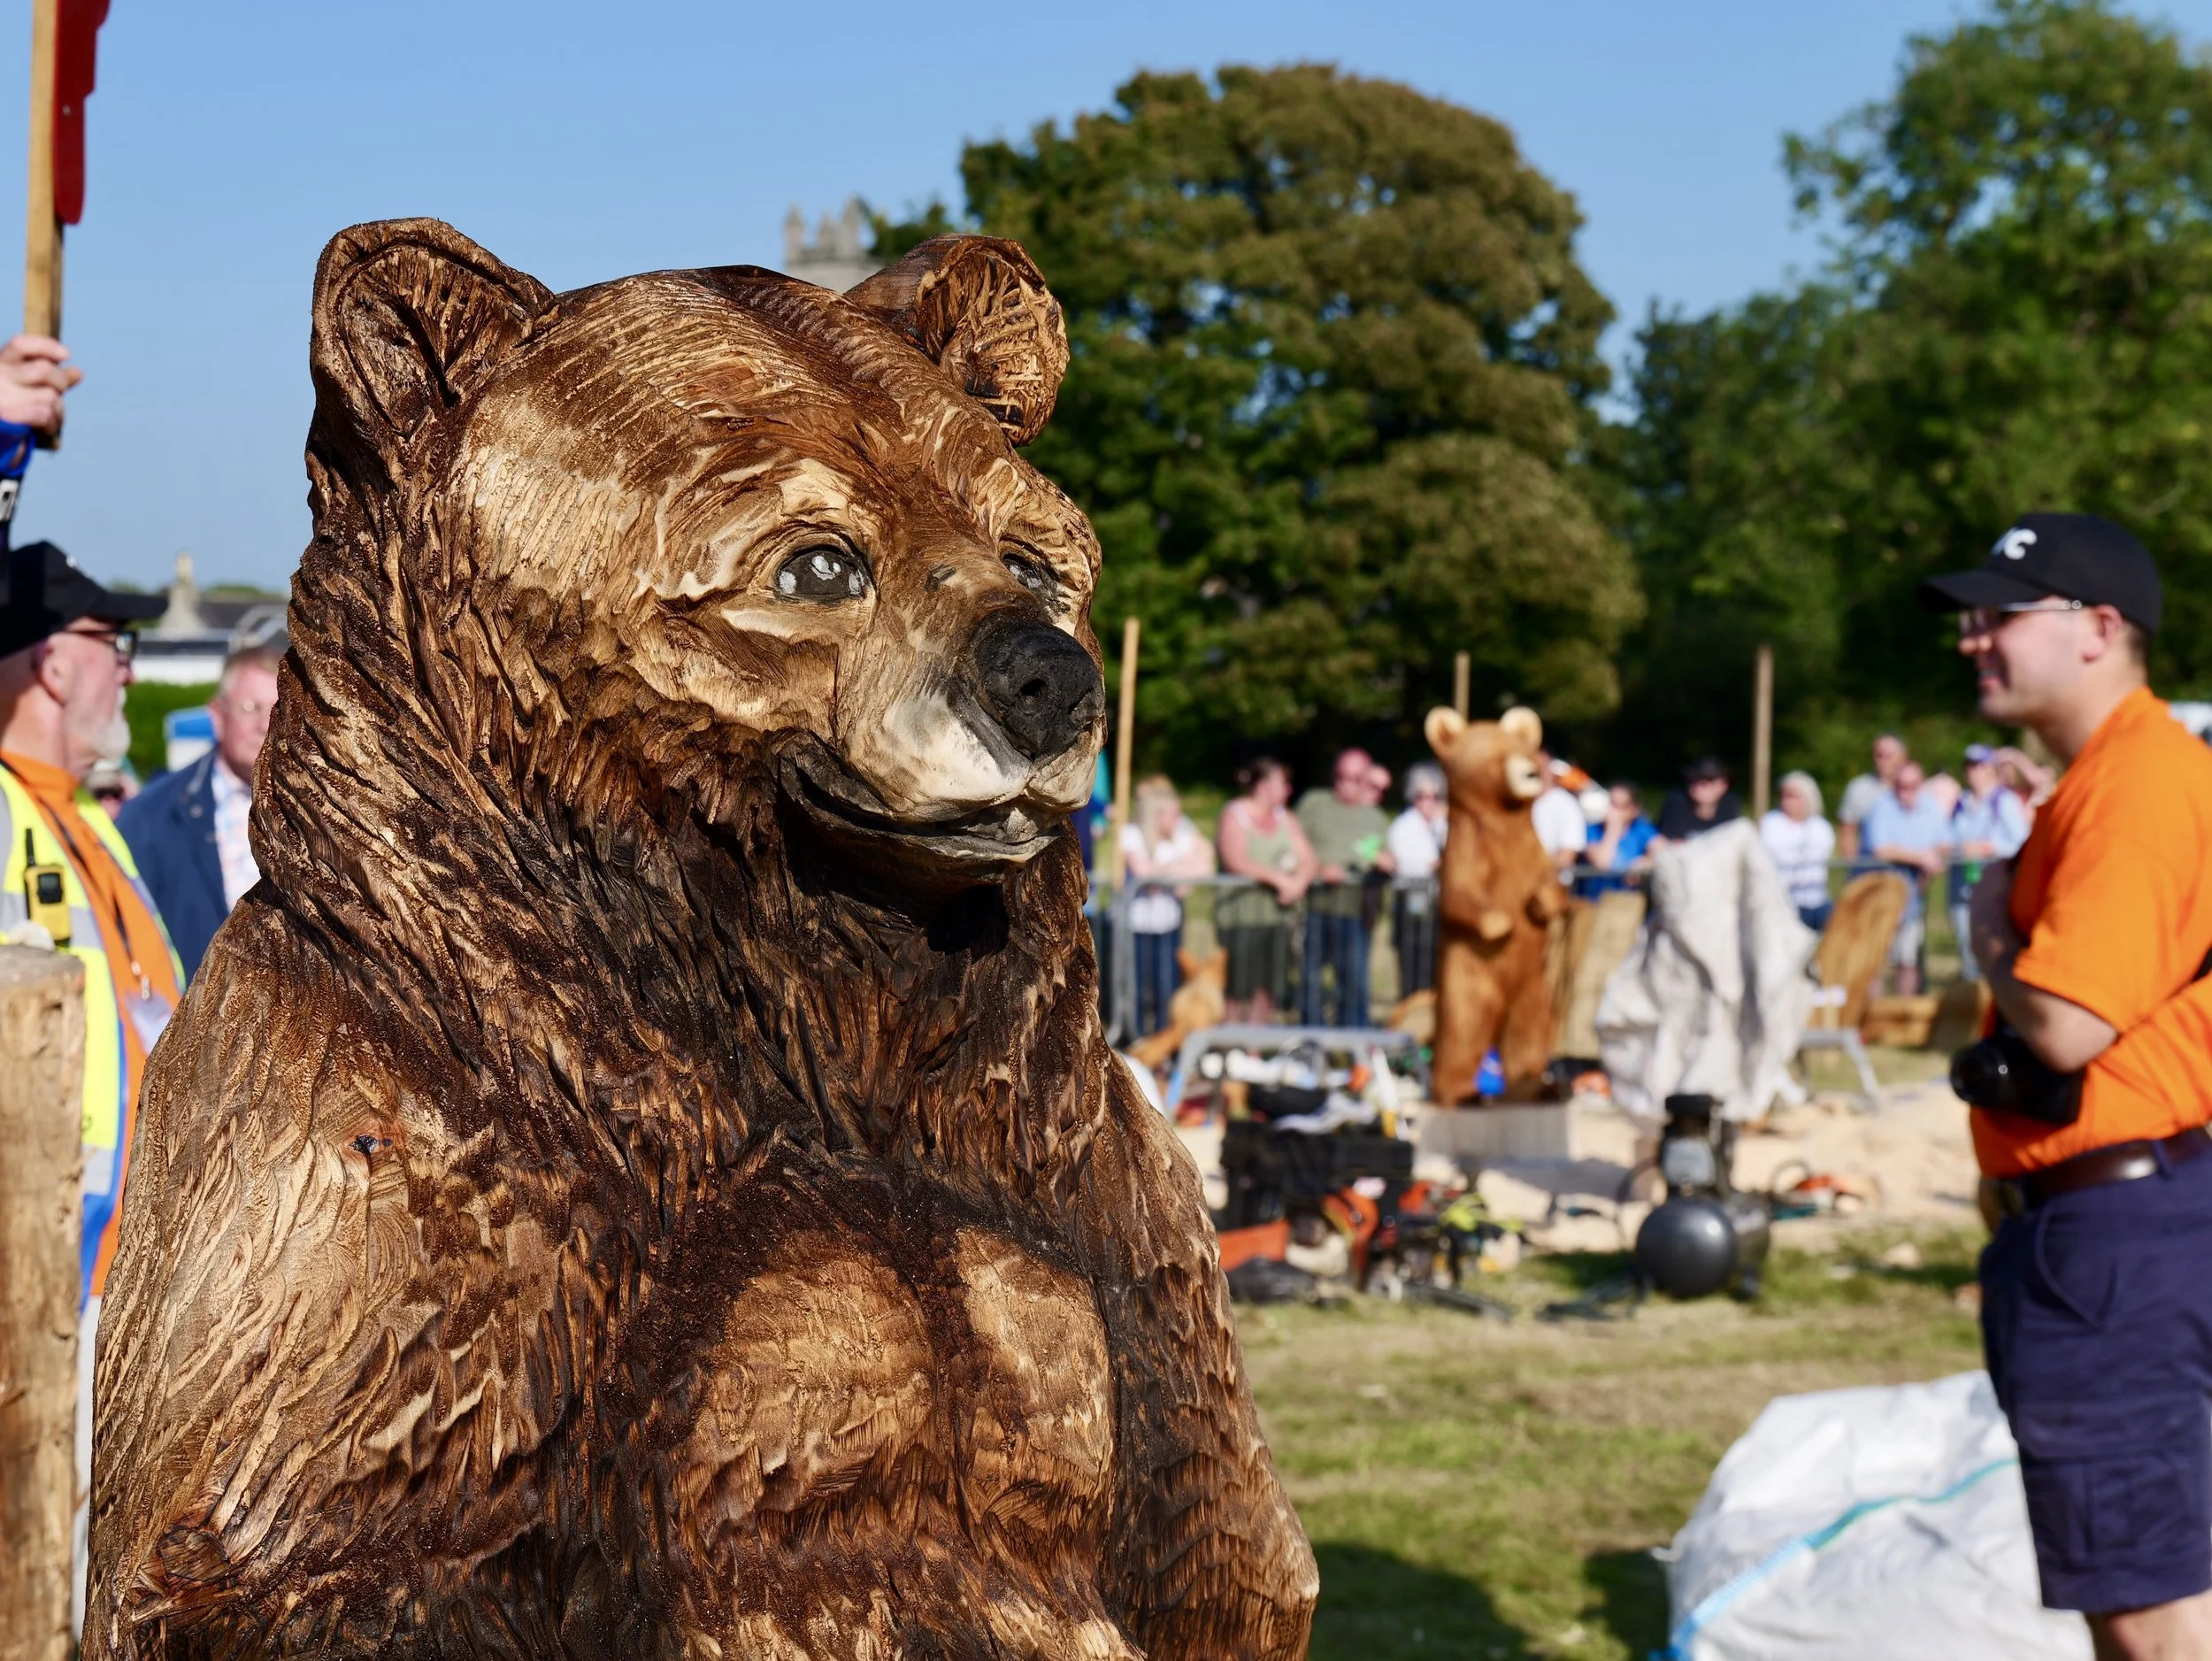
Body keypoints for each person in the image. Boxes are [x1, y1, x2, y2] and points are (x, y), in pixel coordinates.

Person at [1920, 512, 2212, 1658]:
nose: (1972, 639)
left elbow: (2067, 1021)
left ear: (2099, 629)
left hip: (2113, 1235)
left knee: (2145, 1612)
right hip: (2133, 1217)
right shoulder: (2120, 775)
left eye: (2000, 615)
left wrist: (1993, 933)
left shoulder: (2137, 784)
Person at [0, 540, 179, 1631]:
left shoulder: (95, 820)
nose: (127, 669)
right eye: (112, 644)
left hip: (117, 1269)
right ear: (53, 665)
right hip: (40, 1276)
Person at [118, 641, 282, 978]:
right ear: (217, 716)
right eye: (250, 707)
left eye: (277, 709)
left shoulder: (326, 816)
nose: (264, 724)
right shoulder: (151, 818)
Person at [1294, 748, 1392, 1027]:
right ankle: (1312, 1040)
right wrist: (1316, 869)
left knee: (1354, 983)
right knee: (1311, 980)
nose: (1346, 784)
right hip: (1315, 908)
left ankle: (1353, 1047)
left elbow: (1386, 856)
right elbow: (1291, 843)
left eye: (1355, 778)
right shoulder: (1314, 804)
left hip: (1355, 913)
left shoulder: (1375, 818)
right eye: (1341, 777)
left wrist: (1385, 864)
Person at [1216, 757, 1315, 1024]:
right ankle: (1230, 1044)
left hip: (1276, 919)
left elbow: (1308, 858)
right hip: (1240, 918)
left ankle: (1254, 1049)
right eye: (1284, 783)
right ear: (1265, 785)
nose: (1289, 790)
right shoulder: (1235, 814)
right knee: (1238, 987)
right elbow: (1235, 860)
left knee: (1268, 986)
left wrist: (1299, 882)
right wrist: (1279, 880)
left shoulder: (1286, 818)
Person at [1117, 773, 1214, 1037]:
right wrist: (1177, 868)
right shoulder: (1132, 834)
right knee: (1137, 987)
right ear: (1157, 815)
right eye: (1172, 814)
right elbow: (1143, 873)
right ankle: (1135, 1039)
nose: (1178, 819)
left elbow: (1200, 871)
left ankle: (1164, 1038)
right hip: (1138, 926)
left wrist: (1167, 873)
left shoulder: (1178, 836)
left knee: (1166, 987)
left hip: (1168, 924)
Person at [1860, 759, 1951, 995]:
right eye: (1901, 785)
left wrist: (1931, 859)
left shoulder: (1930, 807)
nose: (1906, 791)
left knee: (1908, 959)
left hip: (1913, 897)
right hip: (1881, 894)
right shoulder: (1882, 807)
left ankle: (1903, 1017)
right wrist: (1920, 857)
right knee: (1876, 961)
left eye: (1912, 786)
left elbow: (1944, 843)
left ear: (1920, 785)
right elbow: (1881, 848)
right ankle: (1873, 1018)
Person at [1947, 742, 2030, 981]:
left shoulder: (2004, 801)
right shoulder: (1961, 802)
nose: (1973, 771)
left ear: (1990, 769)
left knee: (1993, 949)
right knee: (1966, 946)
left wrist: (1988, 848)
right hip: (1962, 885)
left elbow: (2021, 842)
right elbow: (1950, 837)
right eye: (1969, 766)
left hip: (1994, 886)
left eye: (1978, 765)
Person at [1386, 761, 1448, 995]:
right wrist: (1440, 866)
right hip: (1413, 903)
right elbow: (1408, 866)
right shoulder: (1404, 826)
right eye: (1422, 796)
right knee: (1414, 964)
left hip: (1436, 905)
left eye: (1435, 796)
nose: (1429, 802)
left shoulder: (1442, 825)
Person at [1759, 770, 1836, 931]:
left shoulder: (1820, 827)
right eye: (1784, 796)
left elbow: (1819, 858)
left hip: (1816, 899)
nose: (1787, 801)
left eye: (1794, 796)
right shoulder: (1770, 823)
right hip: (1781, 900)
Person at [1838, 732, 1909, 861]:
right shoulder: (1859, 788)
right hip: (1870, 867)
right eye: (1879, 756)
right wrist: (1854, 865)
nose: (1882, 761)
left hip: (1908, 868)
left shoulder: (1913, 788)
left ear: (1903, 757)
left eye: (1888, 756)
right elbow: (1847, 833)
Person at [1585, 781, 1656, 893]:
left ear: (1634, 809)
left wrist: (1646, 862)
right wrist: (1613, 829)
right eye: (1610, 804)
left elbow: (1663, 851)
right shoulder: (1593, 830)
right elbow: (1602, 864)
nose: (1611, 810)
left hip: (1628, 900)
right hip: (1596, 901)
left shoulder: (1641, 828)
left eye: (1618, 806)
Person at [1529, 747, 1586, 885]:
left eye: (1541, 767)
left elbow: (1567, 855)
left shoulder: (1566, 804)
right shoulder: (1520, 805)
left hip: (1552, 885)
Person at [1655, 756, 1742, 841]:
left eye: (1708, 780)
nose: (1698, 785)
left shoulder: (1729, 802)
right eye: (1694, 779)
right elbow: (1672, 843)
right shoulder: (1677, 802)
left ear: (1724, 785)